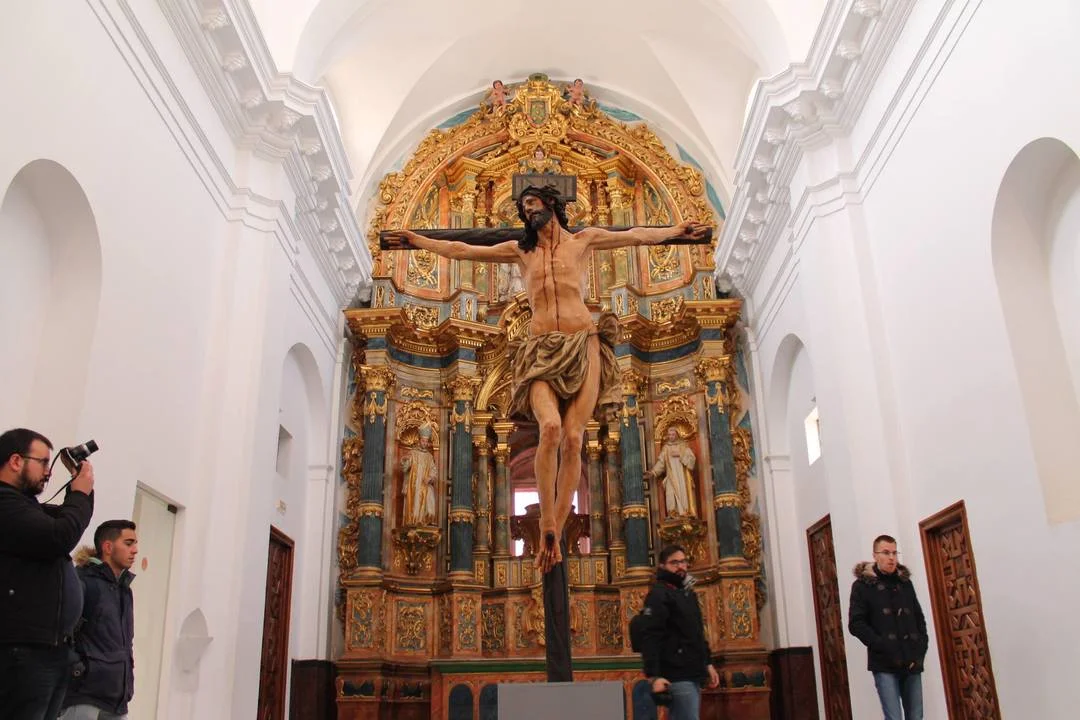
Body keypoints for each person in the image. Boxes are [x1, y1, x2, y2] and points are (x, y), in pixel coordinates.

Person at [386, 186, 707, 572]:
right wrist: (415, 240)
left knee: (574, 438)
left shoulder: (583, 241)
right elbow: (462, 249)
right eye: (523, 208)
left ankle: (556, 525)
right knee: (551, 428)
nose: (527, 211)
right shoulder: (520, 251)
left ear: (551, 204)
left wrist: (676, 232)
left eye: (532, 204)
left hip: (583, 344)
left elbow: (635, 236)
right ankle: (549, 523)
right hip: (539, 349)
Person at [0, 427, 95, 720]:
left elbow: (68, 519)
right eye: (43, 462)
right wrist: (80, 493)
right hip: (23, 650)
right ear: (16, 461)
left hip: (48, 650)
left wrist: (81, 488)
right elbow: (60, 535)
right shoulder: (5, 504)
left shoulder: (26, 507)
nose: (48, 471)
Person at [61, 520, 138, 720]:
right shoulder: (83, 581)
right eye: (128, 543)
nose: (135, 550)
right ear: (108, 547)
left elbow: (125, 644)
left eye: (135, 544)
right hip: (83, 696)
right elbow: (62, 631)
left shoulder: (124, 590)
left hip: (117, 701)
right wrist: (78, 669)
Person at [848, 535, 928, 720]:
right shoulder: (862, 586)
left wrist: (920, 646)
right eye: (886, 553)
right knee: (894, 717)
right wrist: (881, 644)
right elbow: (856, 623)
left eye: (894, 553)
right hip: (884, 662)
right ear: (875, 555)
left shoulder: (905, 583)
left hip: (912, 660)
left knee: (916, 716)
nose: (891, 557)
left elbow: (919, 618)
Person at [638, 544, 719, 719]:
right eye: (674, 563)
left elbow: (697, 632)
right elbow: (650, 636)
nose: (680, 566)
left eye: (683, 562)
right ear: (662, 566)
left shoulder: (687, 593)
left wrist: (708, 663)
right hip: (676, 673)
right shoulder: (659, 595)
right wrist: (654, 676)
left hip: (693, 671)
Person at [643, 426, 697, 517]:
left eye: (673, 434)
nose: (671, 436)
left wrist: (680, 454)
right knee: (670, 494)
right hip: (671, 476)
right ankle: (672, 513)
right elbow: (661, 462)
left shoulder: (683, 446)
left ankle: (685, 512)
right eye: (669, 435)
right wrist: (653, 472)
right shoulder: (666, 448)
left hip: (682, 477)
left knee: (683, 493)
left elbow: (692, 460)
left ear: (677, 435)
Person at [401, 426, 438, 527]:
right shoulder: (413, 453)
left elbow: (433, 470)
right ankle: (414, 521)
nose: (425, 443)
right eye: (423, 441)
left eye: (426, 442)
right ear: (419, 441)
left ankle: (425, 520)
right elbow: (405, 468)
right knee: (415, 502)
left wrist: (430, 477)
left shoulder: (429, 456)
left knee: (428, 501)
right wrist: (405, 460)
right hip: (414, 483)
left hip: (425, 483)